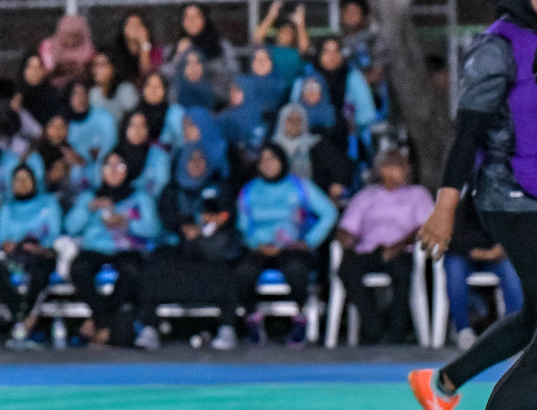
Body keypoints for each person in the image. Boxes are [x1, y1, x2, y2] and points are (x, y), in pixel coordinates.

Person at [411, 0, 537, 410]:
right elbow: (466, 134)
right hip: (514, 203)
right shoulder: (499, 47)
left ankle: (446, 382)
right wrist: (445, 205)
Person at [234, 143, 337, 341]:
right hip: (260, 248)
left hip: (293, 246)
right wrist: (259, 244)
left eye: (272, 159)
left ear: (282, 160)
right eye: (263, 160)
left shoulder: (299, 186)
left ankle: (299, 319)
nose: (267, 164)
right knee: (244, 273)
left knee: (296, 270)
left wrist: (309, 240)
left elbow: (329, 213)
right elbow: (243, 226)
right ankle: (252, 319)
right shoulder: (250, 191)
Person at [334, 151, 433, 345]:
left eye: (403, 166)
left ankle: (397, 332)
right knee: (345, 268)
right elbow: (348, 227)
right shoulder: (366, 196)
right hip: (369, 250)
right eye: (394, 166)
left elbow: (425, 228)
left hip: (402, 250)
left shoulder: (417, 195)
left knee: (403, 272)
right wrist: (345, 238)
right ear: (382, 170)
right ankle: (373, 328)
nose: (401, 171)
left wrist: (397, 246)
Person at [143, 163, 245, 351]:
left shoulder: (219, 188)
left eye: (201, 159)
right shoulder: (172, 191)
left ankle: (226, 327)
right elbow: (165, 217)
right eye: (191, 159)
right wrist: (183, 227)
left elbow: (227, 215)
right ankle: (149, 327)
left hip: (210, 247)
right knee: (156, 266)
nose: (196, 165)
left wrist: (210, 225)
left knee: (226, 268)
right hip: (175, 245)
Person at [65, 150, 160, 348]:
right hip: (94, 248)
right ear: (101, 170)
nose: (114, 171)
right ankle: (105, 324)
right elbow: (71, 227)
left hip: (126, 248)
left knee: (131, 271)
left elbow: (152, 229)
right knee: (78, 269)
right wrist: (89, 208)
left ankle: (98, 323)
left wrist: (128, 224)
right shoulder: (89, 197)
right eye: (109, 166)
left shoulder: (139, 197)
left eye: (120, 166)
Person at [0, 164, 61, 343]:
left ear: (34, 181)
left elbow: (53, 233)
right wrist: (10, 245)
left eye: (26, 179)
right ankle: (23, 317)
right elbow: (2, 237)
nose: (22, 183)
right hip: (15, 256)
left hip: (41, 254)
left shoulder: (48, 203)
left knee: (41, 270)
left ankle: (22, 320)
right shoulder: (7, 208)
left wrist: (39, 247)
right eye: (18, 179)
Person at [441, 196, 523, 352]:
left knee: (511, 270)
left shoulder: (507, 202)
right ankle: (463, 330)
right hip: (464, 255)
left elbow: (518, 233)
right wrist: (479, 253)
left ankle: (516, 330)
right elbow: (452, 240)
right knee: (454, 268)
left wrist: (502, 248)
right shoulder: (462, 205)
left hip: (496, 257)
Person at [253, 0, 310, 83]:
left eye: (289, 32)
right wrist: (271, 15)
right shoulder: (270, 50)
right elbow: (257, 40)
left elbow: (304, 47)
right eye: (283, 31)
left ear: (293, 36)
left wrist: (300, 24)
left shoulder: (295, 53)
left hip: (291, 92)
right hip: (272, 89)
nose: (285, 34)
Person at [65, 80, 118, 166]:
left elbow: (111, 142)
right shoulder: (64, 122)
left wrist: (87, 157)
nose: (80, 98)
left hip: (104, 167)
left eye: (83, 93)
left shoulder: (103, 116)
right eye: (75, 94)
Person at [119, 109, 169, 199]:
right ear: (125, 127)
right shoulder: (116, 155)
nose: (137, 130)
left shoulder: (158, 155)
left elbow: (162, 187)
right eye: (132, 125)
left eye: (142, 126)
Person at [107, 11, 161, 87]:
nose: (134, 28)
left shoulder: (154, 50)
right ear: (123, 29)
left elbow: (146, 74)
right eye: (130, 24)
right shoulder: (116, 51)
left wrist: (144, 44)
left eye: (138, 24)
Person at [134, 70, 185, 150]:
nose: (153, 90)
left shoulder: (173, 113)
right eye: (149, 85)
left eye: (158, 86)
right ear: (143, 89)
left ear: (165, 90)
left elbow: (180, 144)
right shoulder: (134, 114)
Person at [40, 12, 95, 86]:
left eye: (75, 35)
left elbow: (90, 72)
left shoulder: (88, 48)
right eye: (68, 34)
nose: (71, 39)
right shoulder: (49, 46)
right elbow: (48, 70)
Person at [15, 50, 61, 129]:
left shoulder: (54, 96)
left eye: (39, 67)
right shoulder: (14, 94)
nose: (34, 71)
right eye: (30, 67)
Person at [90, 51, 138, 125]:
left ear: (114, 67)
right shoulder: (93, 94)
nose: (96, 70)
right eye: (95, 65)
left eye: (102, 65)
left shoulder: (126, 90)